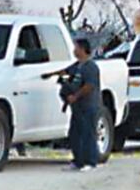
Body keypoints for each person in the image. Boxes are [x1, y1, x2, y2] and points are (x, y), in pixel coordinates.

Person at [44, 39, 102, 172]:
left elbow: (89, 86)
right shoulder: (78, 65)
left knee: (88, 133)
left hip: (88, 106)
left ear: (82, 49)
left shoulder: (90, 67)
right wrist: (50, 74)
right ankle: (78, 161)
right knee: (75, 133)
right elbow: (65, 72)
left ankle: (90, 162)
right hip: (77, 107)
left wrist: (75, 96)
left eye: (76, 47)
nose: (74, 50)